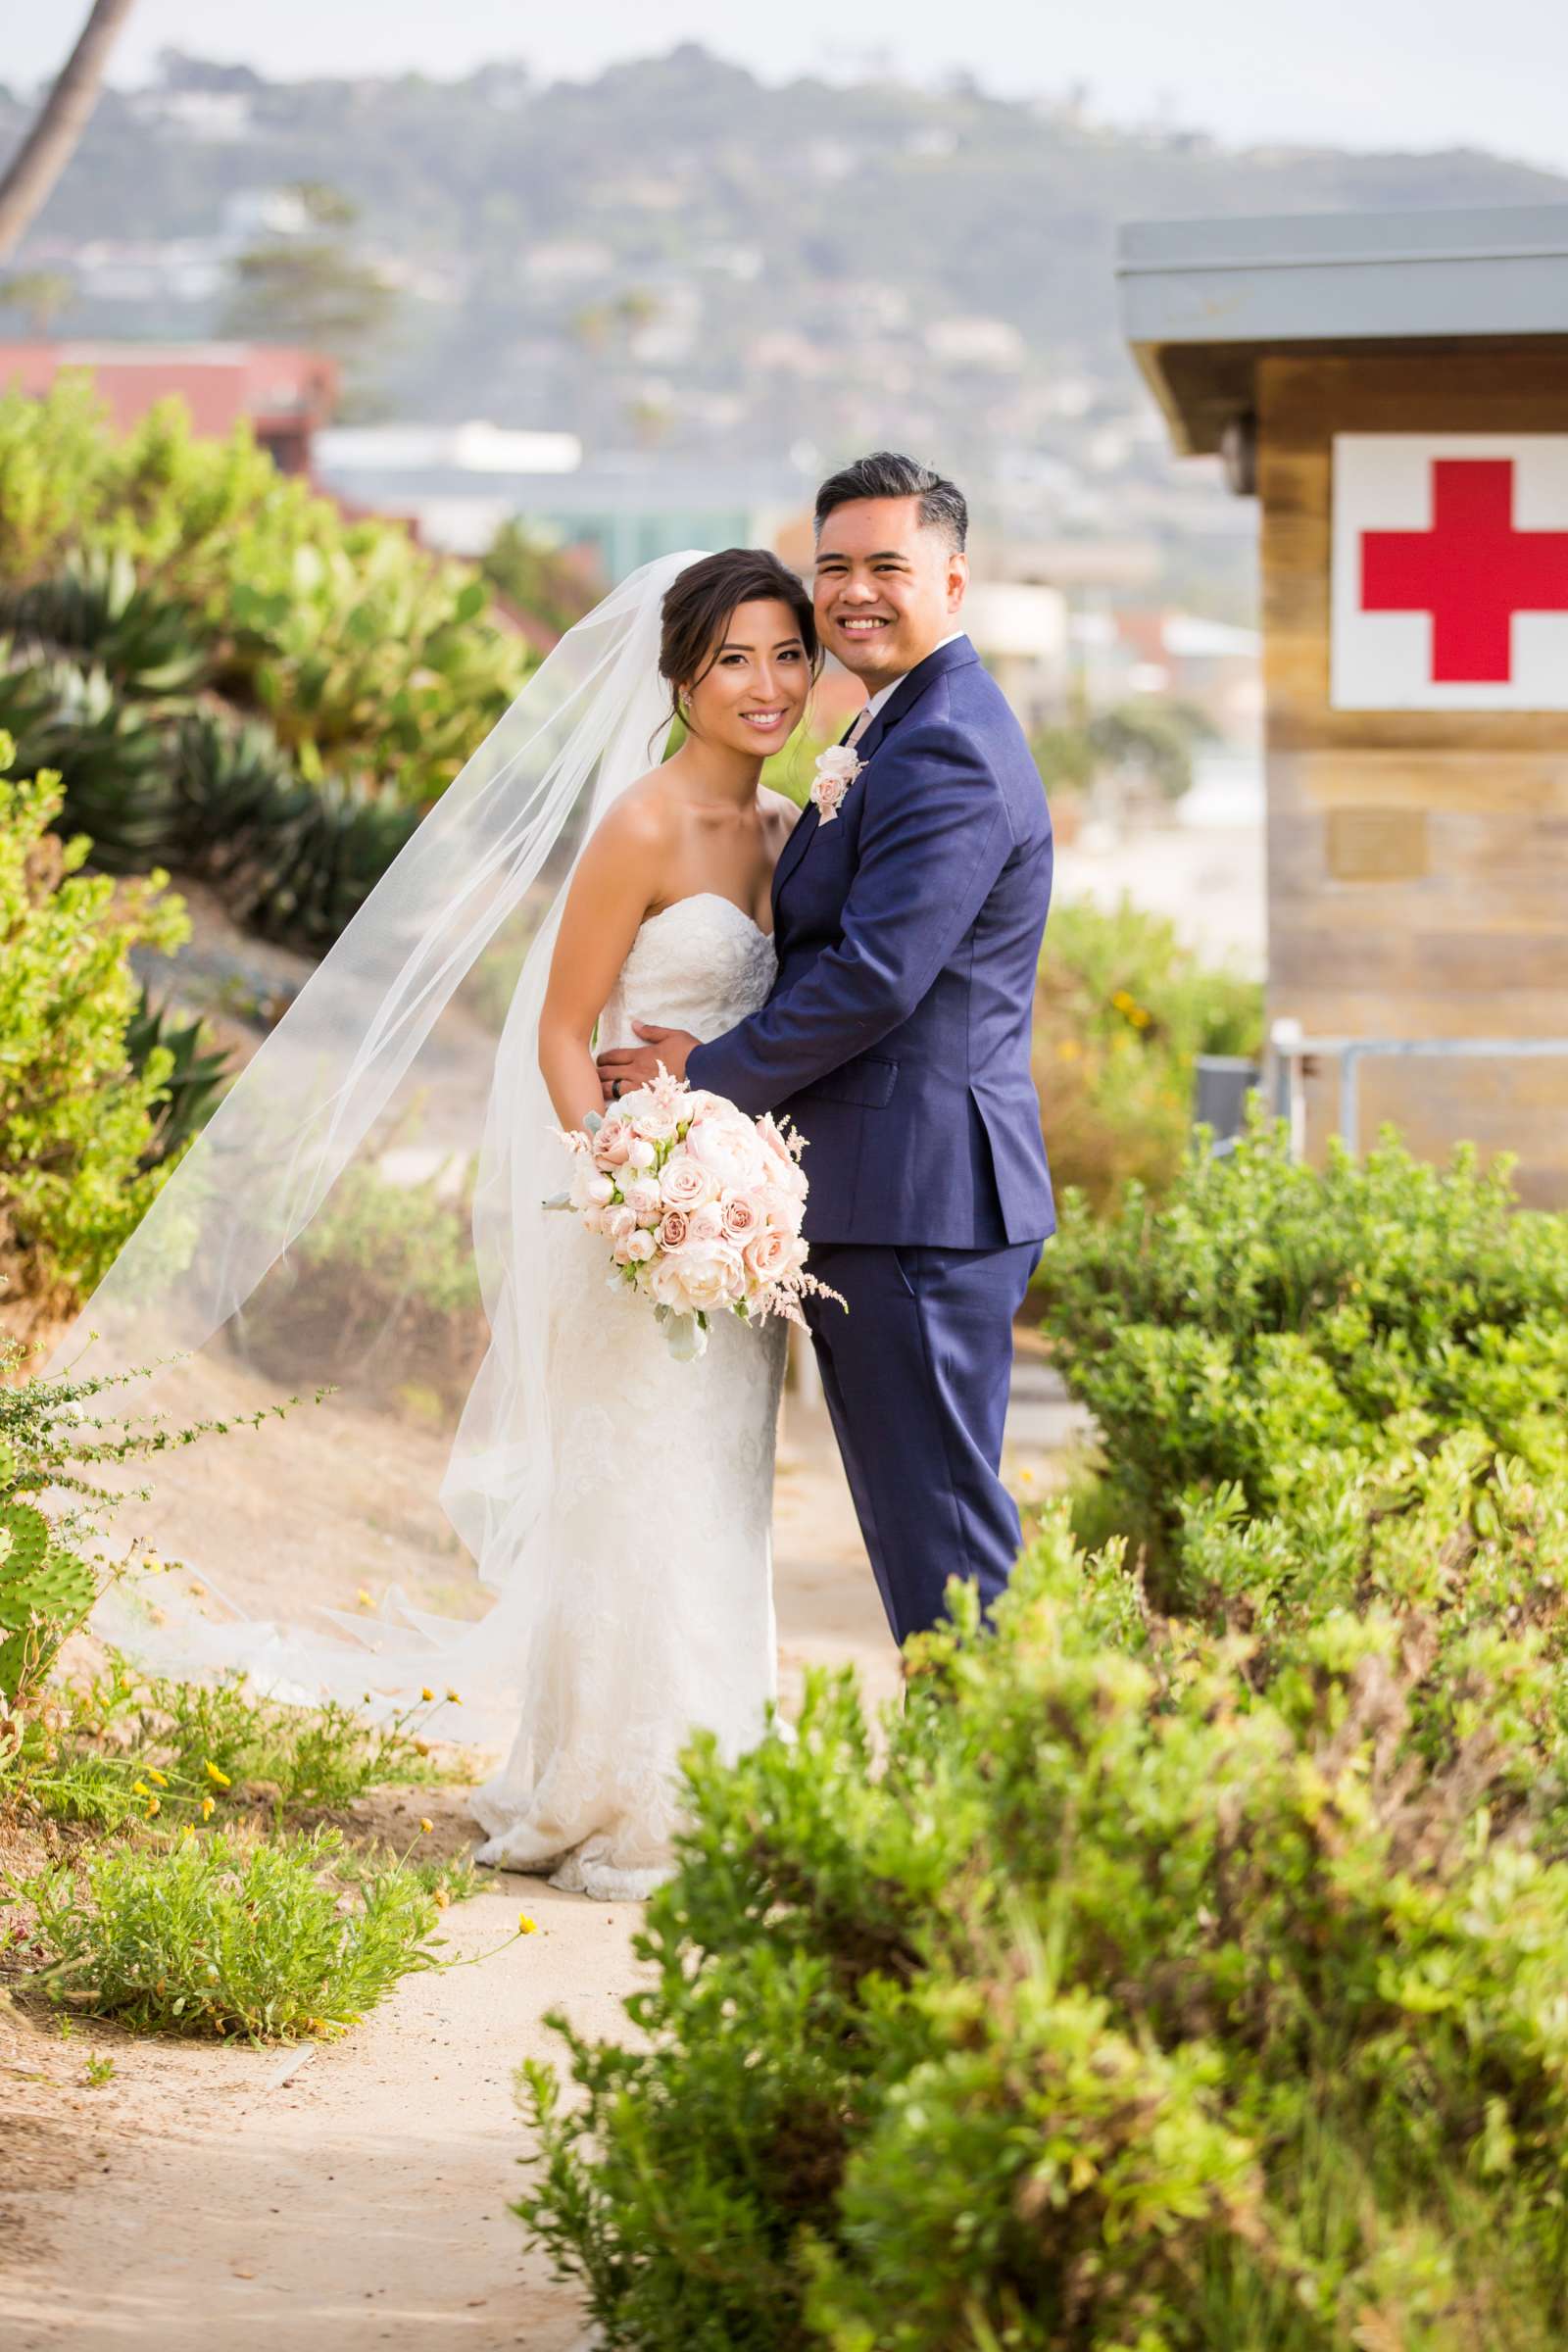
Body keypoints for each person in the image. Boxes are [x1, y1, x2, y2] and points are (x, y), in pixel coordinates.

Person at [599, 453, 1055, 1646]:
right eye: (834, 567)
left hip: (922, 1203)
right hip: (887, 1195)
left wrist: (695, 1082)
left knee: (943, 1541)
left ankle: (990, 1808)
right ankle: (975, 1792)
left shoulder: (946, 743)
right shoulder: (889, 726)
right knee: (923, 1532)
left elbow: (874, 979)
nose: (854, 591)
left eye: (887, 567)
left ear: (953, 582)